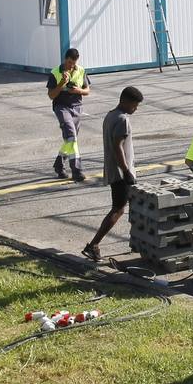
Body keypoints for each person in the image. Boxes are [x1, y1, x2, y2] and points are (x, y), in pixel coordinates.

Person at [82, 86, 144, 262]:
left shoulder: (110, 115)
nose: (135, 109)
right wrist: (126, 171)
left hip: (113, 169)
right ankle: (93, 245)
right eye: (134, 105)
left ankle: (138, 241)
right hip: (120, 173)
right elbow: (118, 147)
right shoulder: (123, 119)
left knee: (126, 207)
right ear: (125, 101)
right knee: (118, 209)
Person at [46, 48, 91, 181]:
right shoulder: (55, 73)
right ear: (65, 59)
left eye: (74, 63)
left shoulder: (81, 70)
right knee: (71, 135)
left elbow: (87, 90)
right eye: (70, 62)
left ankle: (59, 164)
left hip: (77, 107)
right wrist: (61, 83)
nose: (72, 65)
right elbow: (51, 95)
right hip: (61, 107)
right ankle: (77, 170)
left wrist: (78, 91)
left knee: (70, 139)